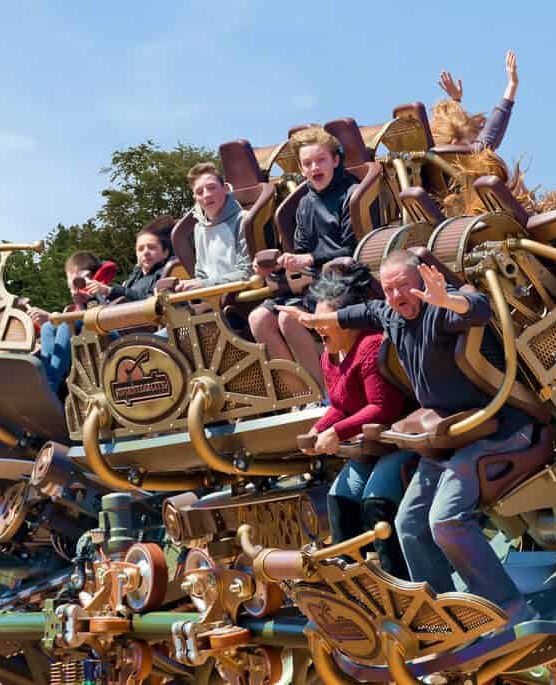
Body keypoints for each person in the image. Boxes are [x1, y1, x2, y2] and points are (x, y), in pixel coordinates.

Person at [281, 250, 538, 626]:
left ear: (421, 283)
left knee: (445, 521)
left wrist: (447, 298)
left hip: (493, 429)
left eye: (404, 286)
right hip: (447, 437)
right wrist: (313, 319)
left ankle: (513, 611)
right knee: (408, 525)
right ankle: (442, 619)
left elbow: (479, 309)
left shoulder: (439, 310)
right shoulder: (388, 313)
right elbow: (357, 314)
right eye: (389, 289)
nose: (397, 296)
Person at [298, 266, 415, 579]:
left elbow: (382, 408)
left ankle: (400, 584)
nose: (318, 329)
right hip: (371, 447)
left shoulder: (370, 345)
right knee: (340, 499)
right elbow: (339, 405)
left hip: (399, 440)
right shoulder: (329, 355)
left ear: (345, 322)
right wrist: (318, 429)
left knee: (376, 501)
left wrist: (336, 432)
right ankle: (353, 585)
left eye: (323, 322)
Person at [249, 127, 360, 389]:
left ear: (335, 160)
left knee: (289, 318)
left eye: (320, 160)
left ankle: (324, 394)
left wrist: (308, 259)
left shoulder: (351, 193)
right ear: (301, 170)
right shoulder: (304, 204)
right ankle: (300, 395)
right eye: (307, 163)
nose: (314, 168)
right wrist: (274, 267)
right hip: (312, 283)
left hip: (345, 278)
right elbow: (300, 254)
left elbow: (352, 249)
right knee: (258, 318)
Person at [25, 251, 108, 393]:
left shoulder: (100, 291)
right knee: (47, 327)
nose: (74, 283)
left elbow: (98, 313)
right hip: (80, 333)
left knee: (65, 324)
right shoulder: (72, 306)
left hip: (102, 331)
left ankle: (50, 383)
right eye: (70, 279)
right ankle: (45, 377)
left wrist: (91, 295)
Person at [175, 162, 253, 293]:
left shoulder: (243, 219)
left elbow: (247, 273)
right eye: (200, 192)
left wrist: (205, 285)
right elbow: (201, 275)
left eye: (212, 188)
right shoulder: (199, 229)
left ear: (225, 189)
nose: (206, 195)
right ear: (195, 198)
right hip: (211, 297)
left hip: (241, 294)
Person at [431, 50, 519, 151]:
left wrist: (455, 100)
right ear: (455, 143)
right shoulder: (465, 154)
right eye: (473, 142)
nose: (475, 143)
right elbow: (488, 138)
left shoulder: (428, 156)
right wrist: (512, 84)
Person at [83, 218, 174, 302]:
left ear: (165, 252)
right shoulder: (136, 277)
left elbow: (152, 300)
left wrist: (109, 290)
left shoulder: (166, 273)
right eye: (140, 249)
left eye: (151, 247)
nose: (145, 252)